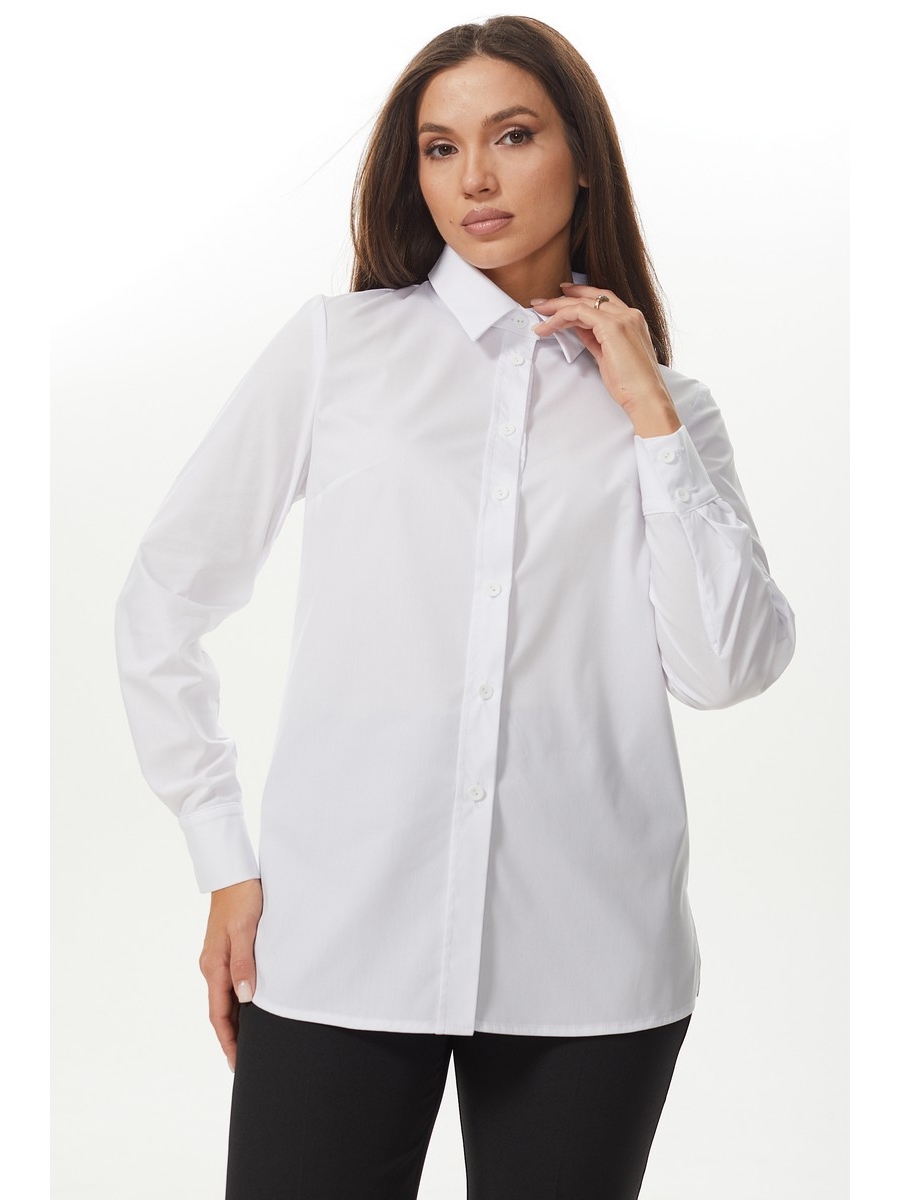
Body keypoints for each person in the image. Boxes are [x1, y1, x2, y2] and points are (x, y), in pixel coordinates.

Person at [114, 14, 796, 1199]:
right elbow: (164, 595)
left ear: (583, 158)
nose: (474, 176)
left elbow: (727, 666)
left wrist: (647, 414)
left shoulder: (672, 409)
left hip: (591, 957)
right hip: (339, 934)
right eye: (440, 147)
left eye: (512, 136)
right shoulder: (338, 351)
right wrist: (224, 856)